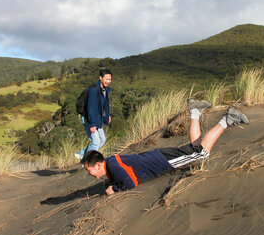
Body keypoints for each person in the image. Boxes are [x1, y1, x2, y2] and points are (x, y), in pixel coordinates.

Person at [82, 99, 249, 195]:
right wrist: (111, 180)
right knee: (195, 148)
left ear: (97, 165)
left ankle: (227, 119)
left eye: (89, 170)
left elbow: (131, 182)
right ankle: (195, 110)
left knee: (201, 153)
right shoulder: (112, 163)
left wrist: (115, 188)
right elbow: (126, 171)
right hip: (159, 156)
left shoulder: (113, 166)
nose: (90, 174)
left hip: (163, 162)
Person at [75, 69, 112, 160]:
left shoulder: (104, 90)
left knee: (102, 140)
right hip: (90, 119)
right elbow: (91, 108)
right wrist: (92, 124)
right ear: (100, 78)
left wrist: (108, 115)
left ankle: (81, 154)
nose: (108, 81)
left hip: (97, 119)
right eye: (106, 79)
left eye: (109, 79)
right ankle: (87, 162)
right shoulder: (93, 90)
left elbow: (104, 105)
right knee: (95, 142)